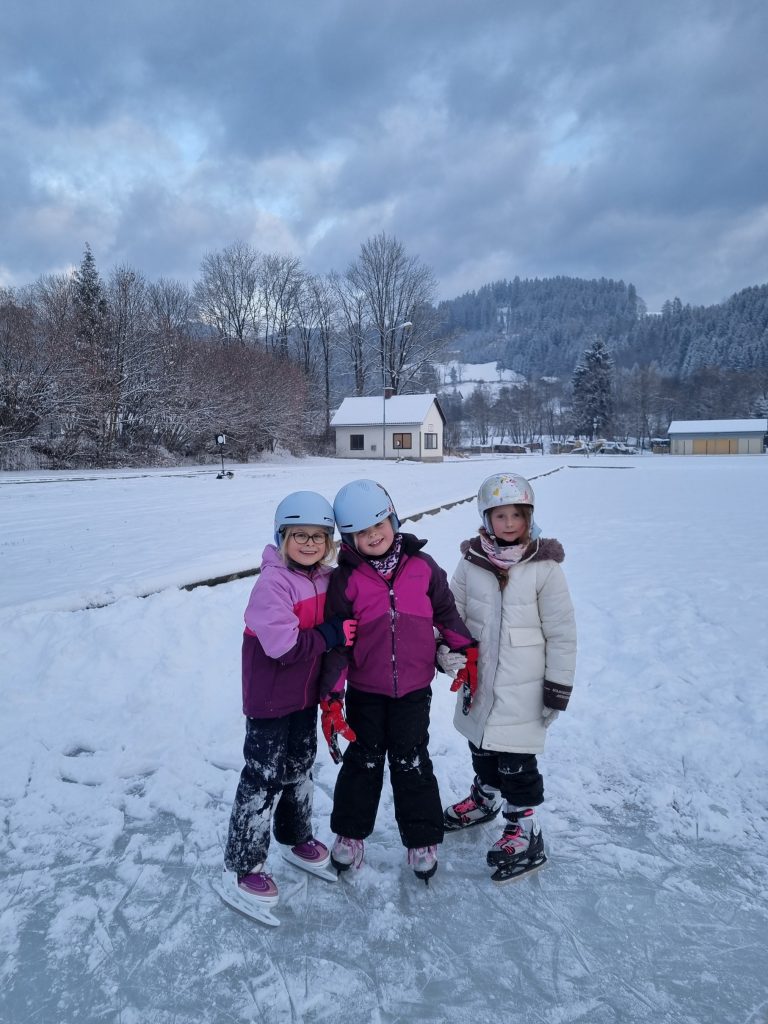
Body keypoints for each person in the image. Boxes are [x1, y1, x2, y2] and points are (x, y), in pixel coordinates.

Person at [319, 479, 474, 883]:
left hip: (413, 690)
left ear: (393, 520)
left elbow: (446, 612)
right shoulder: (346, 580)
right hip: (365, 691)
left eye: (379, 525)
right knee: (362, 760)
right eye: (362, 532)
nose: (374, 536)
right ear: (349, 539)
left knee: (412, 760)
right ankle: (350, 834)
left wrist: (465, 649)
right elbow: (337, 645)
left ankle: (421, 839)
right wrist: (332, 696)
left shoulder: (423, 567)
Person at [220, 491, 357, 919]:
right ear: (282, 537)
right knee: (263, 776)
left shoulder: (325, 579)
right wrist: (332, 634)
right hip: (269, 698)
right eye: (299, 535)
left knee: (300, 767)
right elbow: (283, 646)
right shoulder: (273, 583)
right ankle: (243, 863)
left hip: (303, 697)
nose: (309, 544)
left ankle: (295, 836)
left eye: (318, 536)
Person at [440, 472, 576, 884]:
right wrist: (446, 651)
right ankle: (486, 798)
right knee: (481, 747)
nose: (510, 523)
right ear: (487, 519)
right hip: (479, 682)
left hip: (525, 689)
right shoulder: (471, 562)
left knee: (517, 763)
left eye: (518, 514)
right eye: (501, 515)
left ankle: (525, 829)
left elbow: (562, 632)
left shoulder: (544, 567)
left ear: (529, 516)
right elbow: (450, 613)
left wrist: (556, 690)